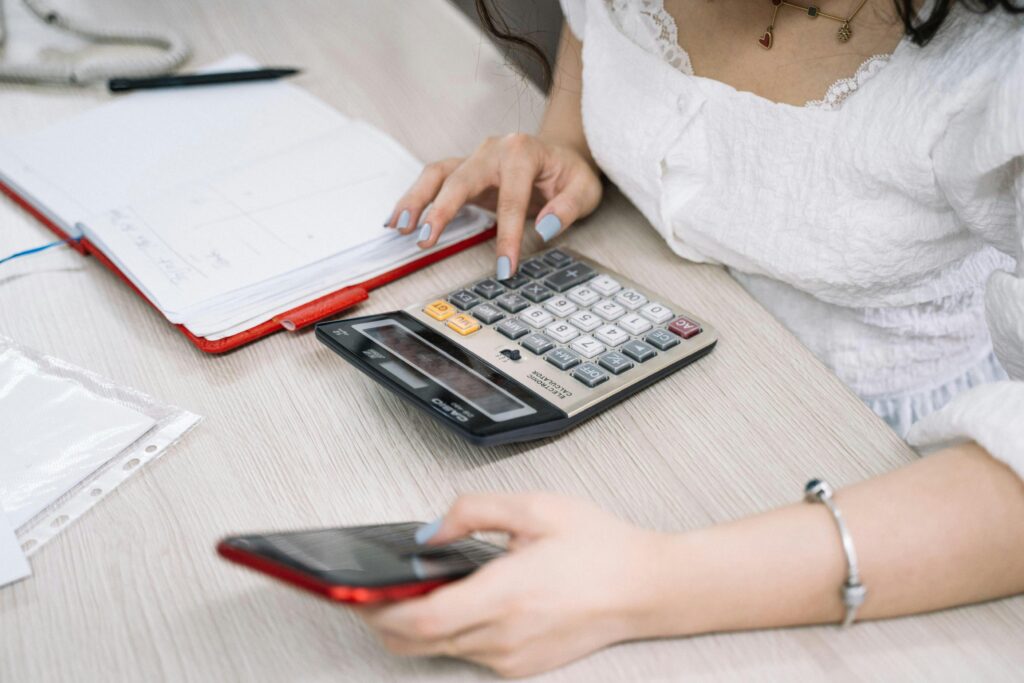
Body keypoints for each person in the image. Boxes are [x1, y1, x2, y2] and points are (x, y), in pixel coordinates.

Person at [372, 0, 1024, 677]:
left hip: (900, 483)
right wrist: (565, 148)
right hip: (679, 400)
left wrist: (639, 583)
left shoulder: (1002, 64)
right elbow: (595, 40)